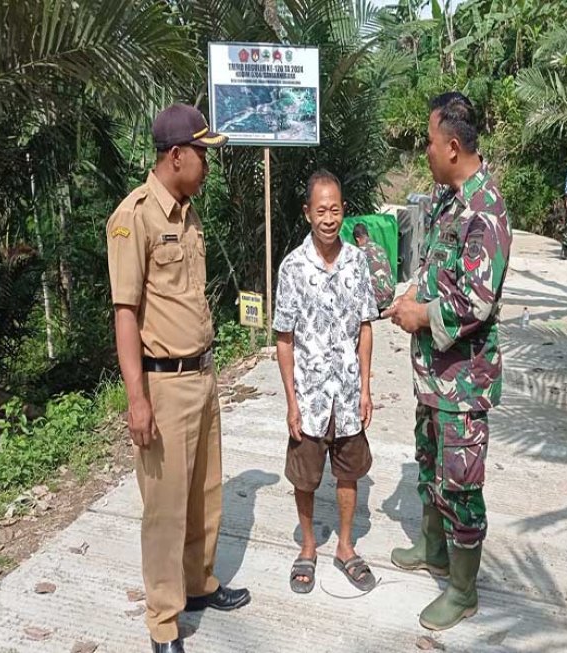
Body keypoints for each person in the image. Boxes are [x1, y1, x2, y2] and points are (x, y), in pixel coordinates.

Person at [106, 103, 250, 653]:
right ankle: (164, 622)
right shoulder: (134, 217)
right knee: (164, 510)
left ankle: (198, 585)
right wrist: (136, 399)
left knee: (204, 494)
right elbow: (126, 312)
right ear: (176, 156)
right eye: (202, 156)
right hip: (162, 385)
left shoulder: (187, 215)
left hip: (203, 375)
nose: (208, 166)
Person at [382, 92, 511, 631]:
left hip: (464, 380)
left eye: (431, 143)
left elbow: (476, 303)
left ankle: (462, 590)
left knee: (461, 481)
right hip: (434, 375)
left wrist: (419, 315)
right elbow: (434, 267)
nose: (426, 152)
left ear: (453, 146)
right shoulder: (444, 201)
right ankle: (434, 550)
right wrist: (406, 295)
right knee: (430, 463)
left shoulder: (486, 211)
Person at [273, 170, 379, 596]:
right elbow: (284, 339)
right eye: (321, 210)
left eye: (335, 209)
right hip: (311, 395)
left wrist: (367, 388)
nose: (329, 218)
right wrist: (291, 402)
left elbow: (366, 328)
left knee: (349, 472)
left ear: (343, 211)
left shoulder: (357, 261)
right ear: (307, 214)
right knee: (306, 476)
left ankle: (346, 546)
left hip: (349, 394)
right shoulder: (293, 268)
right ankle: (310, 548)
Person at [353, 222, 395, 312]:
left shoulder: (360, 252)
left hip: (376, 301)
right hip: (389, 297)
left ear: (357, 239)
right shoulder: (379, 247)